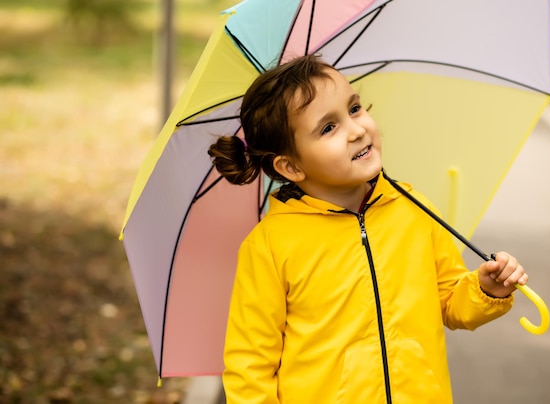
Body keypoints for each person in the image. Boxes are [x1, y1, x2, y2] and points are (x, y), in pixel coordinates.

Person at [208, 54, 528, 403]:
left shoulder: (412, 209)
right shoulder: (270, 245)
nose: (357, 130)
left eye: (355, 108)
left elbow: (450, 302)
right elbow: (250, 365)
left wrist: (485, 288)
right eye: (328, 127)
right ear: (290, 166)